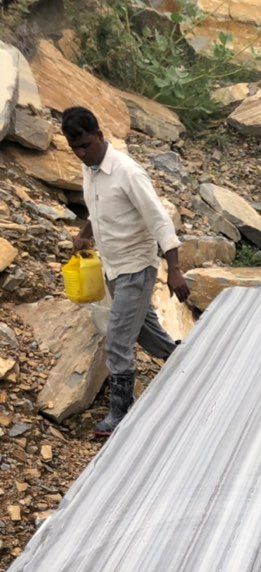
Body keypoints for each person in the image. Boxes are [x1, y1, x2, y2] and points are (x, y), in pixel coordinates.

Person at [61, 106, 191, 437]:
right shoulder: (90, 169)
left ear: (99, 135)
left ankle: (121, 411)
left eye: (85, 145)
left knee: (118, 340)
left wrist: (174, 269)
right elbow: (97, 208)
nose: (81, 153)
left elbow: (159, 220)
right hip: (113, 267)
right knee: (146, 331)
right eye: (75, 148)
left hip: (137, 267)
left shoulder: (127, 172)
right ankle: (187, 362)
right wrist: (85, 234)